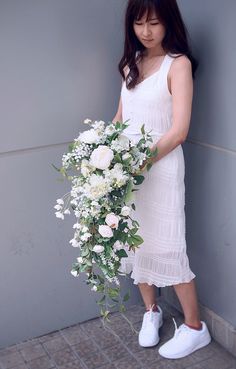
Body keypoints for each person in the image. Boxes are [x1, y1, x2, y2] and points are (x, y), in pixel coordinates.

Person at [112, 0, 211, 360]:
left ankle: (195, 328)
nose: (146, 31)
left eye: (154, 23)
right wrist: (105, 159)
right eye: (139, 23)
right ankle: (151, 313)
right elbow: (120, 119)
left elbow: (179, 130)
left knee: (169, 244)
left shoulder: (178, 65)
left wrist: (140, 163)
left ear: (168, 23)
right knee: (134, 242)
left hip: (162, 168)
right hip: (128, 172)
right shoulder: (129, 65)